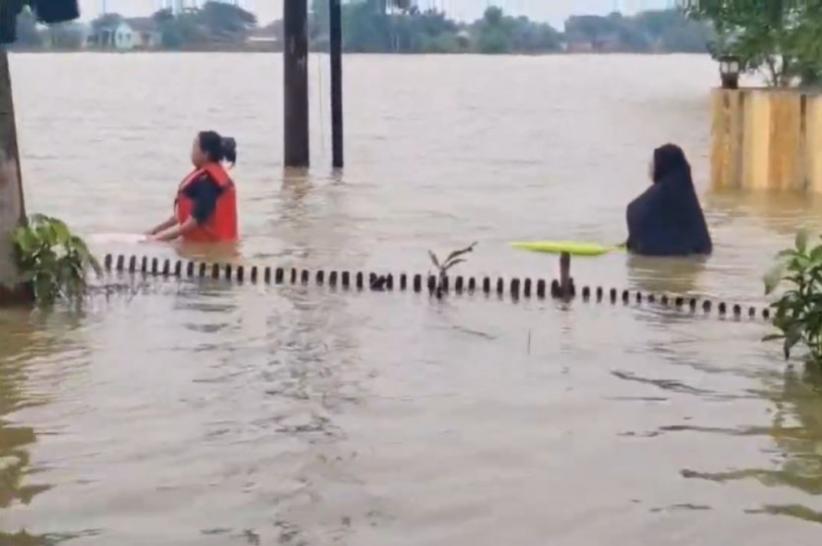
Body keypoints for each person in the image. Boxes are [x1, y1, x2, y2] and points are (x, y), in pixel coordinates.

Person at [147, 131, 239, 243]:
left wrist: (157, 239)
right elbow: (178, 218)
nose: (191, 152)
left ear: (206, 154)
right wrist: (153, 231)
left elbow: (194, 222)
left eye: (195, 147)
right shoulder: (202, 178)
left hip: (211, 252)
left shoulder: (208, 182)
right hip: (203, 246)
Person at [625, 144, 712, 257]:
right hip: (692, 258)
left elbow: (634, 212)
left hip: (652, 259)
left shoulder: (645, 203)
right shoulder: (687, 197)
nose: (650, 170)